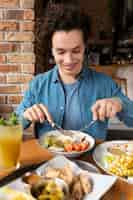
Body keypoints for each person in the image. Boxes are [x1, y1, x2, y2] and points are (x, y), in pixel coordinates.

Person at [16, 3, 133, 139]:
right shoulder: (38, 84)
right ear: (52, 50)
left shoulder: (105, 83)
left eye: (76, 51)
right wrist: (25, 116)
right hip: (50, 159)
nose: (69, 60)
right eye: (60, 52)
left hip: (91, 159)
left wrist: (120, 104)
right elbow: (10, 127)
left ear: (85, 47)